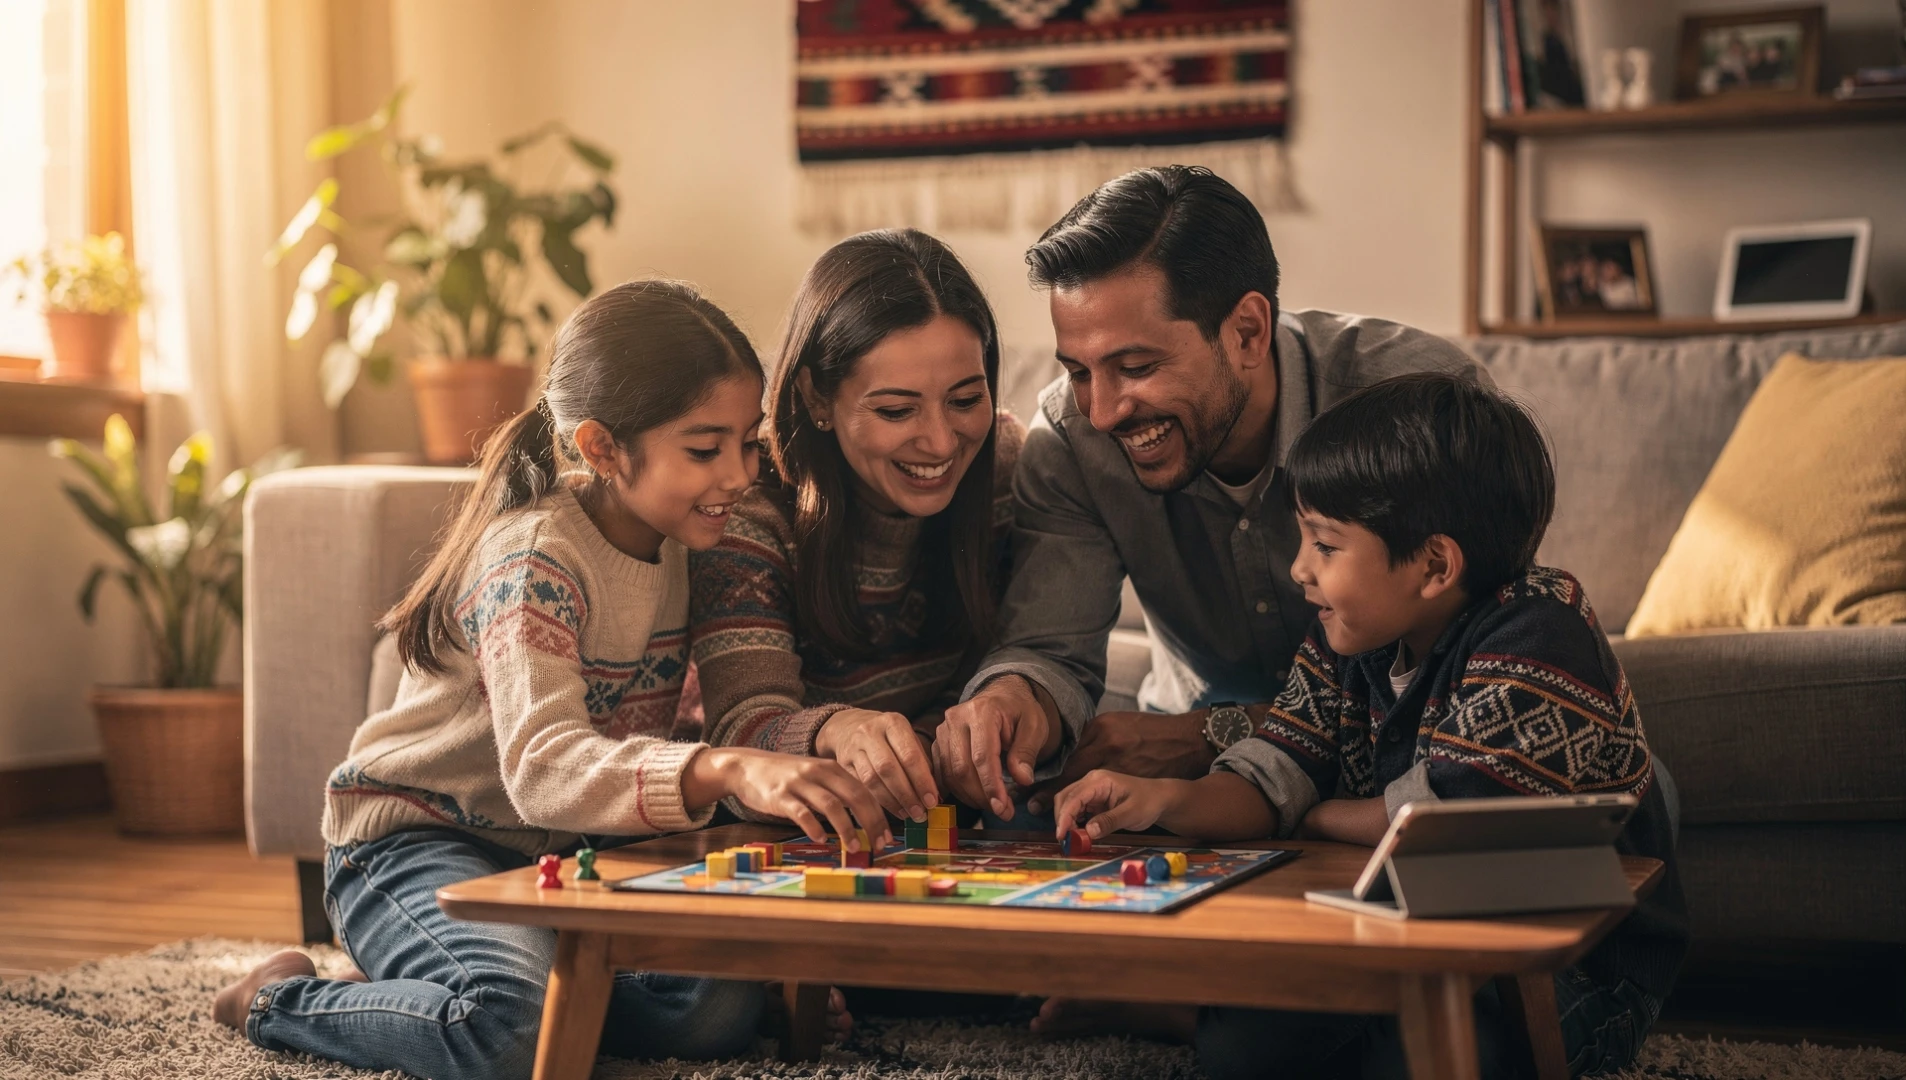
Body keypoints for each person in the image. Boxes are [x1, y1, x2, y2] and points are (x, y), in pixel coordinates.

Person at [213, 281, 885, 1080]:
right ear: (601, 448)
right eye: (706, 450)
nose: (740, 475)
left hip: (564, 856)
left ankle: (440, 983)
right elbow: (542, 767)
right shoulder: (533, 558)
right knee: (511, 1033)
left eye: (749, 442)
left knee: (717, 1008)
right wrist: (726, 766)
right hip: (416, 840)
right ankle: (274, 998)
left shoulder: (689, 536)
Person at [1048, 373, 1688, 1079]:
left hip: (1568, 965)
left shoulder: (1543, 626)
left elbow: (1448, 817)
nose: (1299, 568)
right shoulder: (1349, 634)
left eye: (1325, 545)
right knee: (1242, 1050)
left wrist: (1316, 815)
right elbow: (1272, 772)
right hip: (1406, 932)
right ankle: (1184, 1015)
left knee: (1425, 1057)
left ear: (1435, 565)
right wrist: (1162, 799)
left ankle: (1188, 1014)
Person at [931, 165, 1487, 827]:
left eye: (1136, 367)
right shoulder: (1070, 438)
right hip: (1186, 793)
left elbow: (1472, 677)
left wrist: (1209, 733)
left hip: (1390, 777)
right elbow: (1051, 649)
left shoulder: (1422, 406)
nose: (1102, 413)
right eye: (1078, 371)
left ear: (1247, 331)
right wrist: (1009, 699)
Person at [690, 229, 1019, 826]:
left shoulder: (1006, 472)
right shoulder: (748, 515)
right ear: (816, 397)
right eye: (896, 410)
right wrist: (836, 729)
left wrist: (932, 744)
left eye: (966, 400)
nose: (941, 443)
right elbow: (739, 740)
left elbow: (1020, 664)